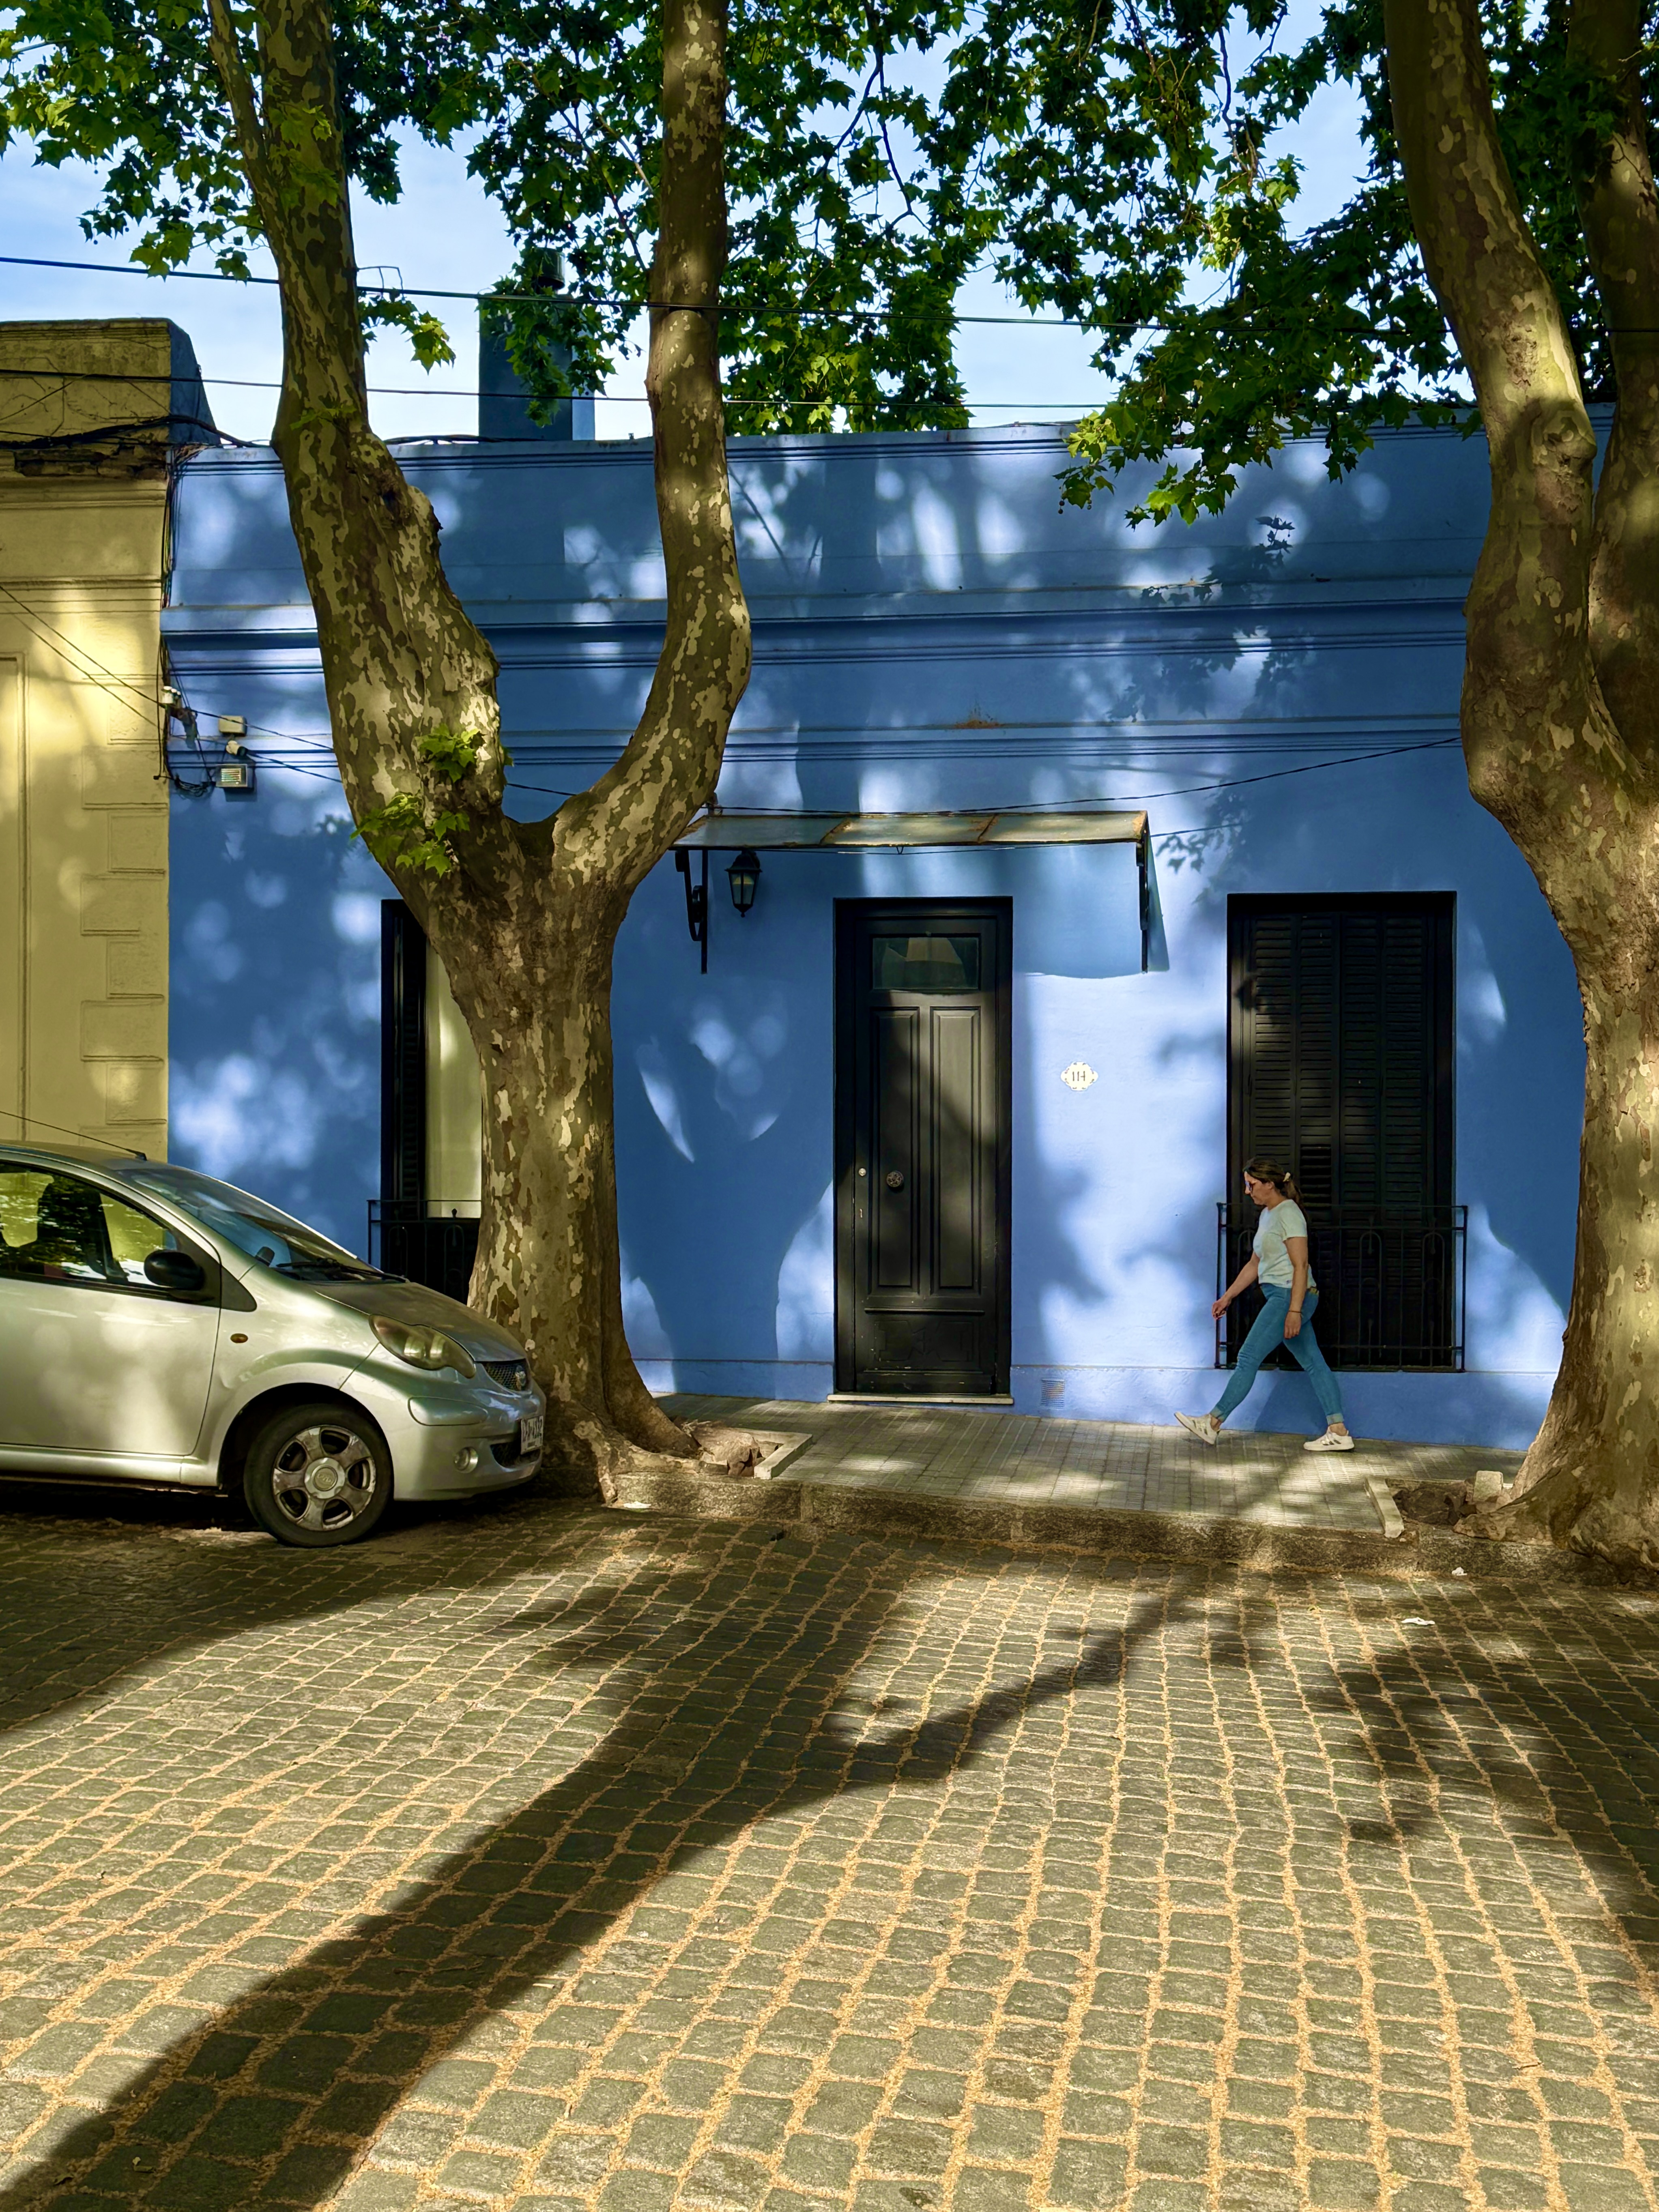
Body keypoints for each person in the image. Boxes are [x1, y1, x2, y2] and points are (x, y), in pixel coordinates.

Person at [1176, 1158, 1355, 1452]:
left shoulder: (1289, 1213)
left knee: (1248, 1357)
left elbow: (1301, 1265)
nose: (1248, 1192)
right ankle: (1339, 1432)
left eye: (1252, 1185)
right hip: (1282, 1295)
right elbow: (1255, 1264)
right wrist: (1227, 1297)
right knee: (1313, 1362)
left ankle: (1212, 1423)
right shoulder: (1268, 1215)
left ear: (1270, 1184)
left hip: (1289, 1295)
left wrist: (1294, 1311)